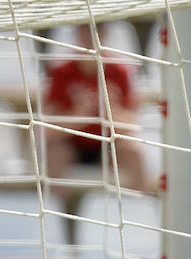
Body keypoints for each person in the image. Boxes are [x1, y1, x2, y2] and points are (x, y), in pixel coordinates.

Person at [41, 25, 153, 192]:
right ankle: (56, 213)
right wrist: (79, 116)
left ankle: (139, 210)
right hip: (73, 144)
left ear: (105, 34)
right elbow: (46, 128)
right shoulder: (61, 72)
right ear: (76, 34)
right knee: (54, 155)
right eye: (85, 30)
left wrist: (111, 111)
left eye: (96, 30)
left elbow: (133, 125)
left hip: (109, 144)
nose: (91, 36)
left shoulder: (120, 71)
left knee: (135, 154)